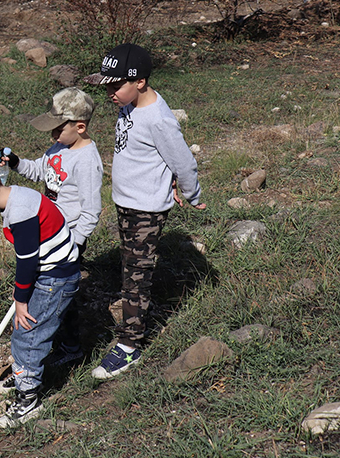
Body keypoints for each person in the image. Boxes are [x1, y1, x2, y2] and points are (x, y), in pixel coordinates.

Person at [84, 43, 206, 380]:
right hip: (127, 201)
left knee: (135, 275)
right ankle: (133, 319)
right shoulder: (130, 103)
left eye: (114, 85)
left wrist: (191, 192)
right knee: (130, 263)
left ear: (139, 82)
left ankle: (129, 346)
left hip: (145, 209)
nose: (110, 93)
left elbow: (182, 160)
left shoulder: (159, 120)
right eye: (106, 86)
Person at [0, 161, 81, 428]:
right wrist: (23, 289)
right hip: (58, 268)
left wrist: (21, 299)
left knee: (27, 334)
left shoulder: (20, 214)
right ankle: (69, 350)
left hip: (54, 276)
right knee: (52, 315)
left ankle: (28, 397)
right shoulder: (17, 195)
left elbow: (27, 261)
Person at [0, 87, 103, 367]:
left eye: (57, 129)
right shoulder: (59, 147)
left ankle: (69, 347)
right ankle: (63, 341)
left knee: (57, 292)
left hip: (68, 239)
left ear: (80, 126)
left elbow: (91, 210)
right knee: (52, 292)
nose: (52, 135)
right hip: (48, 232)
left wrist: (75, 244)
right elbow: (41, 171)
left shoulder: (87, 161)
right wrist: (16, 163)